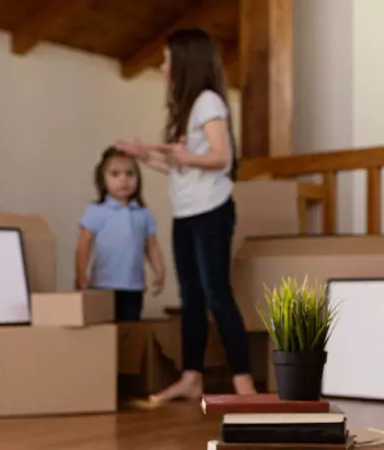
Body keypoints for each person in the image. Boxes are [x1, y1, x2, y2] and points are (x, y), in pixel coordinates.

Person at [115, 27, 257, 406]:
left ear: (185, 61)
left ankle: (244, 384)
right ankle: (191, 377)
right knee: (191, 297)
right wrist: (148, 157)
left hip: (211, 211)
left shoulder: (209, 102)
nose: (162, 68)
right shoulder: (187, 108)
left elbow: (221, 157)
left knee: (216, 294)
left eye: (166, 60)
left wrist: (180, 157)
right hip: (187, 212)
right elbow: (186, 168)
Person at [75, 147, 166, 322]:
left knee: (129, 333)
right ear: (103, 179)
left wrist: (159, 270)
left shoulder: (143, 212)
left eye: (129, 173)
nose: (123, 179)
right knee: (104, 333)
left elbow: (151, 245)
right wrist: (80, 273)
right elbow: (84, 244)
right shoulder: (96, 211)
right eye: (115, 174)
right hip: (103, 286)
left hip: (133, 287)